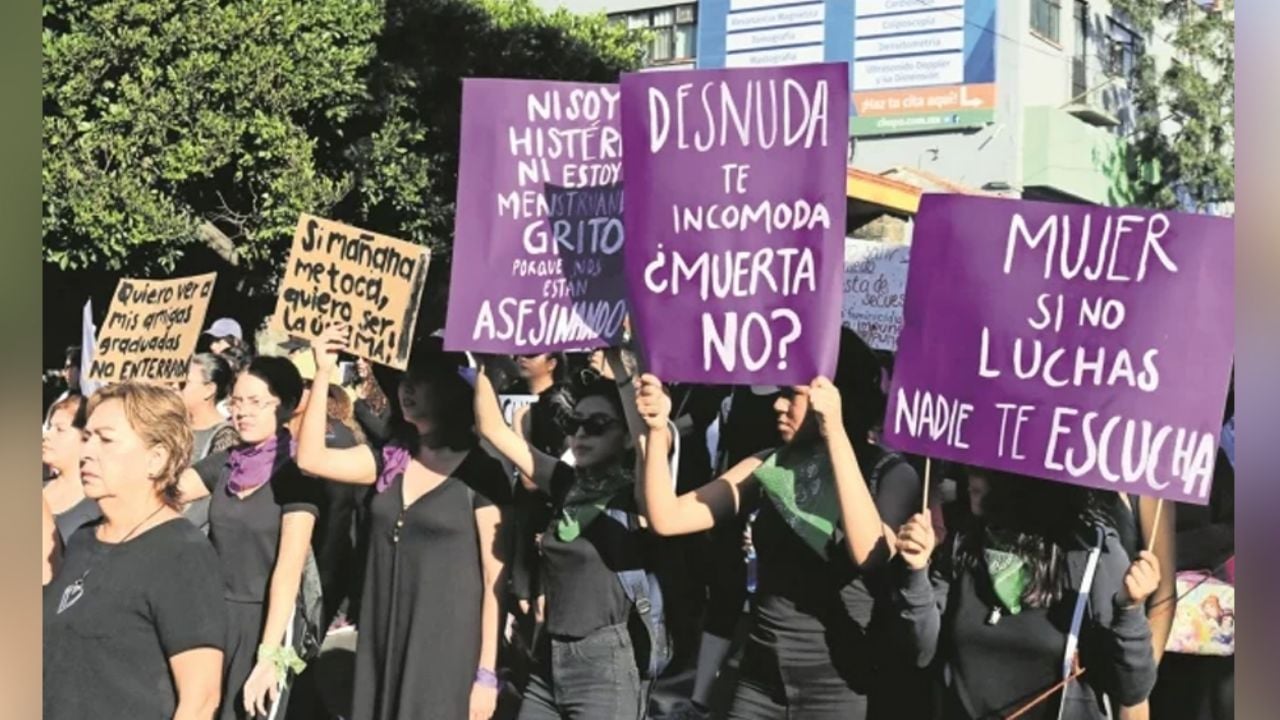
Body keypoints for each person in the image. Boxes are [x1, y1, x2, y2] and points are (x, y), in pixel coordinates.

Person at [635, 330, 921, 720]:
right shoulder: (772, 464)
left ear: (834, 398)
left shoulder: (889, 473)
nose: (779, 405)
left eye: (793, 395)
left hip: (840, 684)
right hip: (759, 677)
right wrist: (655, 430)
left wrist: (834, 432)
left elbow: (868, 554)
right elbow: (667, 519)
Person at [295, 325, 509, 720]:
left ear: (449, 389)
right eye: (403, 380)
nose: (406, 389)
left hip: (447, 651)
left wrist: (486, 673)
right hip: (381, 638)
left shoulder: (482, 472)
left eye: (421, 381)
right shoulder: (388, 458)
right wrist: (323, 372)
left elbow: (496, 578)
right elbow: (310, 459)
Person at [474, 347, 661, 720]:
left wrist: (621, 372)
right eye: (573, 423)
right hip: (549, 655)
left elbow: (646, 439)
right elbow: (493, 429)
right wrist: (481, 363)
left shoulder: (638, 496)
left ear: (626, 436)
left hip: (605, 666)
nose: (579, 434)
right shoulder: (565, 482)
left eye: (596, 425)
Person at [891, 469, 1161, 719]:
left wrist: (1129, 610)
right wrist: (915, 572)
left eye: (988, 468)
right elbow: (921, 652)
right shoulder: (964, 541)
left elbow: (1132, 689)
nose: (972, 474)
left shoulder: (1091, 553)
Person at [44, 382, 226, 720]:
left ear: (156, 459)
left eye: (106, 439)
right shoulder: (84, 539)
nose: (87, 452)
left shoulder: (182, 555)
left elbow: (200, 699)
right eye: (87, 437)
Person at [178, 357, 322, 720]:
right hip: (215, 617)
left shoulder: (298, 474)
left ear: (288, 405)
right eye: (237, 401)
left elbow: (289, 571)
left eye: (255, 402)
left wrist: (269, 657)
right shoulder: (226, 462)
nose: (241, 412)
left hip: (269, 623)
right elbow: (165, 495)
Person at [181, 354, 242, 533]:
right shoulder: (174, 428)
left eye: (184, 383)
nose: (176, 388)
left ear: (209, 390)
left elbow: (212, 500)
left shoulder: (226, 436)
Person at [42, 393, 102, 544]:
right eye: (49, 427)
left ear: (86, 439)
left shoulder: (99, 507)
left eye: (60, 429)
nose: (46, 435)